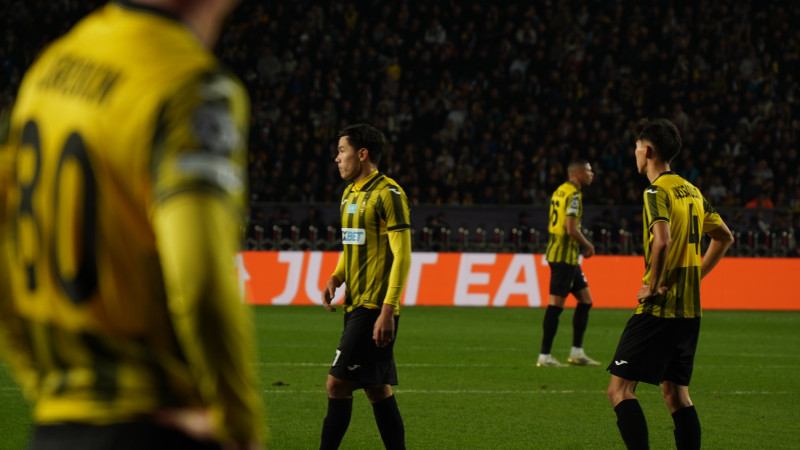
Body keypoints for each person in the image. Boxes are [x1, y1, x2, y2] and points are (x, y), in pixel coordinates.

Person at [0, 1, 264, 449]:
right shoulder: (191, 84)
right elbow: (201, 281)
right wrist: (239, 428)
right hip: (156, 423)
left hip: (56, 429)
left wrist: (45, 382)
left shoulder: (53, 65)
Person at [606, 119, 734, 449]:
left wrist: (653, 286)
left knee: (620, 390)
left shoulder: (655, 191)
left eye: (637, 148)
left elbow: (662, 240)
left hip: (659, 309)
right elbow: (724, 237)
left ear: (647, 151)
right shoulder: (691, 190)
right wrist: (695, 275)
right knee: (676, 395)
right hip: (690, 311)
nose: (635, 153)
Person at [320, 124, 412, 450]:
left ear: (362, 154)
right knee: (377, 388)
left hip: (375, 308)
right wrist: (336, 278)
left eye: (341, 151)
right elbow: (351, 247)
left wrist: (388, 309)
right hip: (355, 303)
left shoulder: (390, 194)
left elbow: (402, 255)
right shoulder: (349, 194)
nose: (337, 158)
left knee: (336, 384)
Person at [538, 159, 600, 367]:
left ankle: (577, 352)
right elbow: (571, 229)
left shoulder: (559, 191)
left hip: (566, 257)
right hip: (563, 258)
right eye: (589, 171)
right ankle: (544, 356)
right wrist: (588, 246)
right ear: (579, 173)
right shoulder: (573, 195)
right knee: (555, 305)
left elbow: (552, 223)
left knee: (586, 300)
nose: (592, 174)